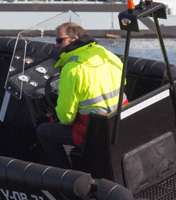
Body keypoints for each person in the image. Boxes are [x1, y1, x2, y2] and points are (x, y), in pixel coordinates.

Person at [36, 22, 125, 168]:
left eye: (60, 40)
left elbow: (66, 117)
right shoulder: (105, 53)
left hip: (92, 132)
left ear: (74, 39)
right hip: (118, 122)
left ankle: (64, 177)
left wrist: (53, 112)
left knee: (42, 130)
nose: (56, 45)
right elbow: (123, 82)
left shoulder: (72, 69)